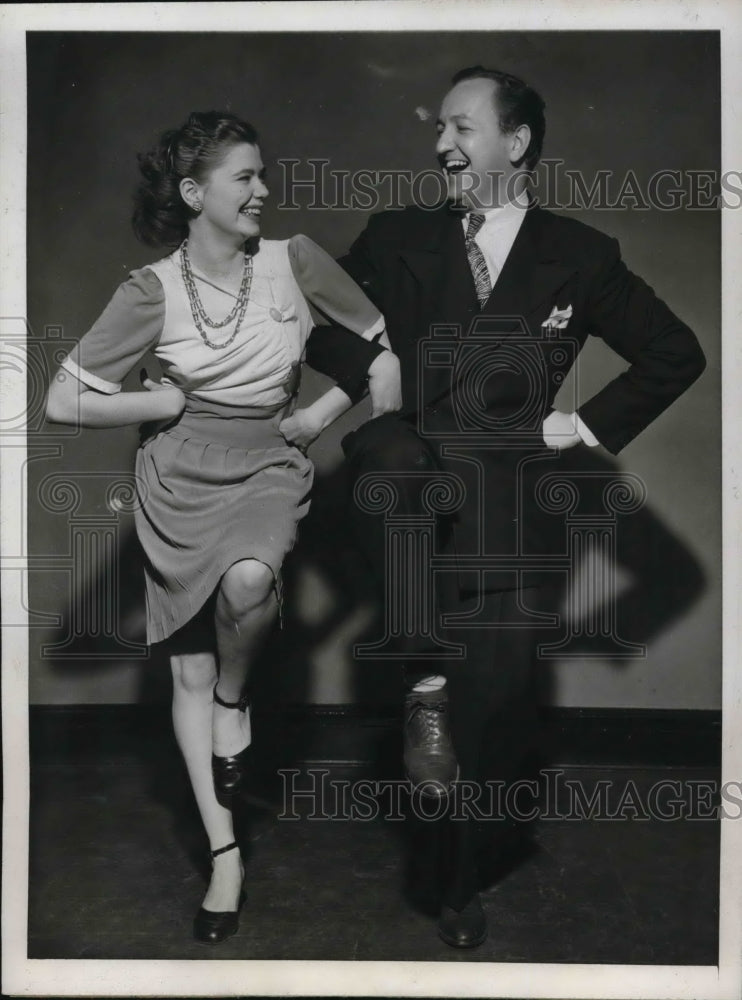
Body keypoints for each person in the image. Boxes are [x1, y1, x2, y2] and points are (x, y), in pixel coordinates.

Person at [311, 65, 707, 948]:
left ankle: (455, 885)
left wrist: (581, 426)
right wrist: (369, 368)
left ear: (515, 143)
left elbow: (674, 354)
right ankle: (422, 679)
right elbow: (311, 312)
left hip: (510, 508)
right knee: (396, 467)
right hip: (407, 469)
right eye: (440, 130)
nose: (440, 146)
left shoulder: (581, 253)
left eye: (460, 128)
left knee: (489, 714)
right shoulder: (396, 234)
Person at [45, 111, 399, 945]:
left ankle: (240, 702)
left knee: (249, 582)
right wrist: (156, 402)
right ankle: (224, 854)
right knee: (187, 676)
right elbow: (63, 401)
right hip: (177, 472)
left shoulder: (294, 261)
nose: (263, 191)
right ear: (195, 192)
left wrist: (324, 407)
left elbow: (380, 345)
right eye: (245, 177)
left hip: (266, 461)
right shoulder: (150, 291)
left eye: (262, 175)